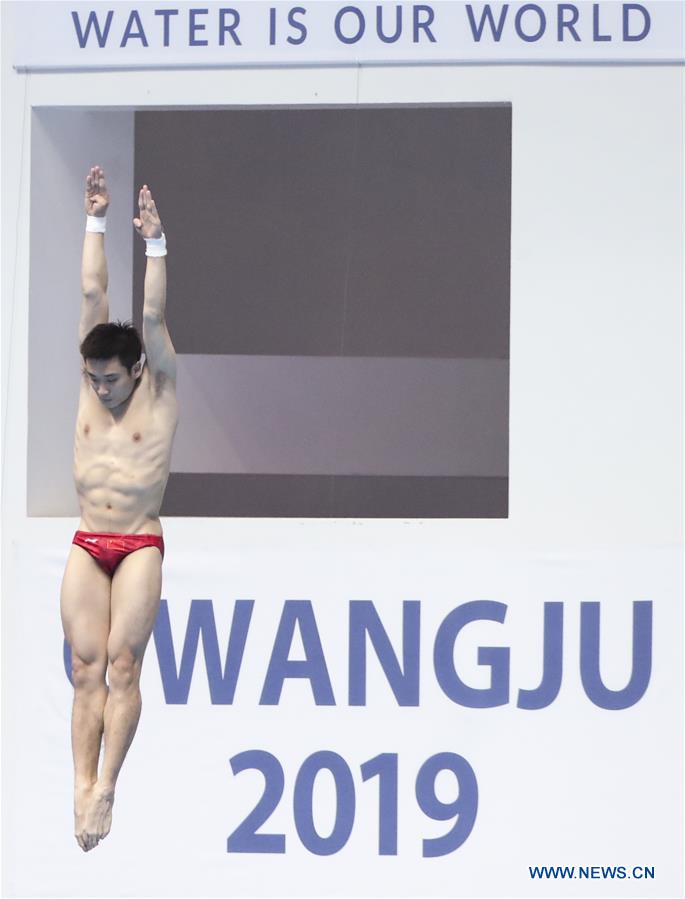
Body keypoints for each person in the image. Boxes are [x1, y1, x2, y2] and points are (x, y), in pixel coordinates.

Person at [60, 166, 178, 852]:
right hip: (87, 538)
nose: (99, 388)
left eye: (109, 379)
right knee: (83, 665)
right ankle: (79, 785)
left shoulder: (158, 388)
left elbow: (153, 316)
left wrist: (155, 243)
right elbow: (91, 291)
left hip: (136, 541)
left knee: (123, 663)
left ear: (136, 371)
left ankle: (109, 783)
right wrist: (96, 219)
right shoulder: (88, 377)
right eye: (92, 377)